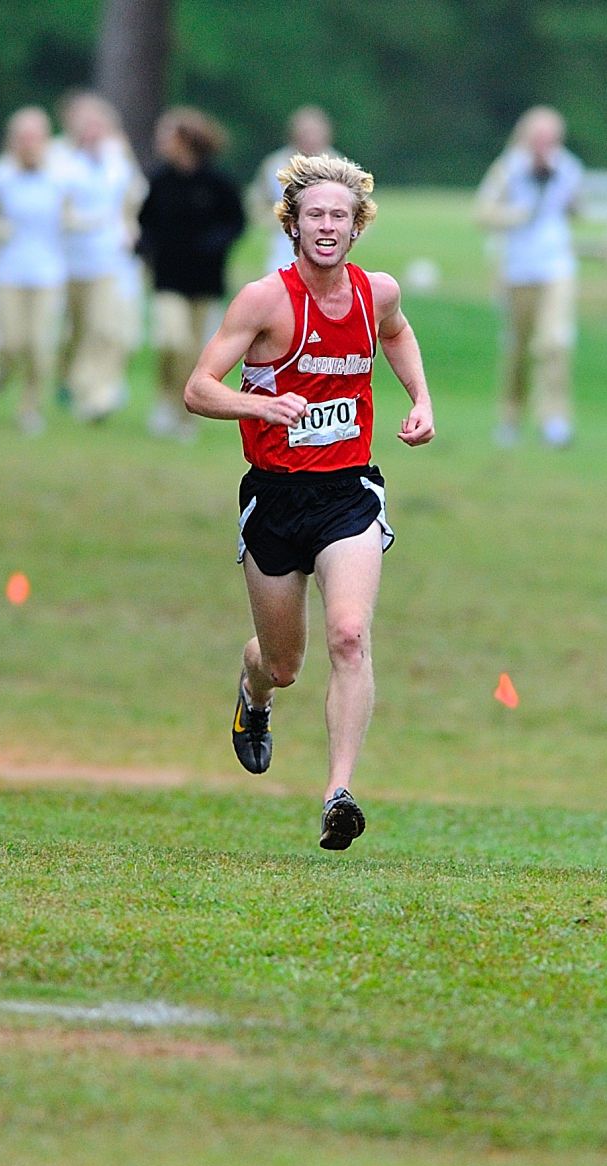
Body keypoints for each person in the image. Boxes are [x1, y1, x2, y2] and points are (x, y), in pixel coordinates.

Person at [185, 153, 435, 850]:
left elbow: (397, 333)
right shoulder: (263, 300)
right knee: (285, 662)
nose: (328, 227)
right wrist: (259, 407)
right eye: (315, 215)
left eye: (341, 217)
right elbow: (198, 388)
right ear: (292, 224)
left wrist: (421, 398)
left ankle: (338, 793)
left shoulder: (376, 293)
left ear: (358, 228)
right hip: (274, 498)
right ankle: (254, 690)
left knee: (350, 635)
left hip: (348, 492)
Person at [476, 106, 583, 448]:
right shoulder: (509, 169)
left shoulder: (567, 167)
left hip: (556, 267)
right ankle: (511, 415)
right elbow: (483, 212)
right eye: (539, 138)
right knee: (518, 348)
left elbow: (577, 207)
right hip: (518, 270)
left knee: (554, 343)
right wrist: (515, 215)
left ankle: (555, 419)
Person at [138, 107, 245, 441]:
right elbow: (146, 221)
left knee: (196, 351)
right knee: (172, 339)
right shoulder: (160, 179)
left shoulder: (217, 182)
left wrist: (214, 245)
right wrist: (145, 246)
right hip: (167, 276)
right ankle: (165, 399)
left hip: (204, 280)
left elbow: (236, 221)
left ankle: (185, 415)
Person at [0, 107, 68, 435]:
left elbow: (70, 216)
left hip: (48, 272)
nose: (30, 144)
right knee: (11, 341)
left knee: (39, 344)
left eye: (36, 137)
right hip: (8, 272)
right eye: (23, 137)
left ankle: (30, 405)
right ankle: (3, 367)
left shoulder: (59, 176)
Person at [53, 92, 146, 422]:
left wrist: (130, 225)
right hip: (69, 261)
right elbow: (56, 209)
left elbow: (133, 194)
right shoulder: (61, 160)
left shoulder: (117, 157)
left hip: (110, 259)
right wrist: (82, 222)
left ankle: (98, 394)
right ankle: (69, 379)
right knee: (75, 329)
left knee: (104, 328)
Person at [248, 106, 335, 273]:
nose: (310, 139)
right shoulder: (275, 164)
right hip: (284, 250)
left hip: (327, 249)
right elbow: (257, 203)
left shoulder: (338, 165)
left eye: (315, 133)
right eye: (305, 133)